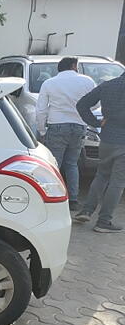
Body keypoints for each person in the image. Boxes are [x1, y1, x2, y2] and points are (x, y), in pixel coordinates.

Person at [36, 57, 96, 212]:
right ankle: (73, 200)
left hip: (56, 126)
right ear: (74, 66)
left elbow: (41, 109)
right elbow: (95, 103)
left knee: (54, 164)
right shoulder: (87, 81)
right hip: (79, 126)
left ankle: (52, 198)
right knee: (72, 163)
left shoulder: (49, 83)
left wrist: (42, 130)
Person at [74, 71, 125, 232]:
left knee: (102, 175)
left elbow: (81, 104)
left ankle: (87, 210)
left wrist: (95, 122)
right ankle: (104, 221)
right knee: (117, 182)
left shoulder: (108, 85)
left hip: (107, 138)